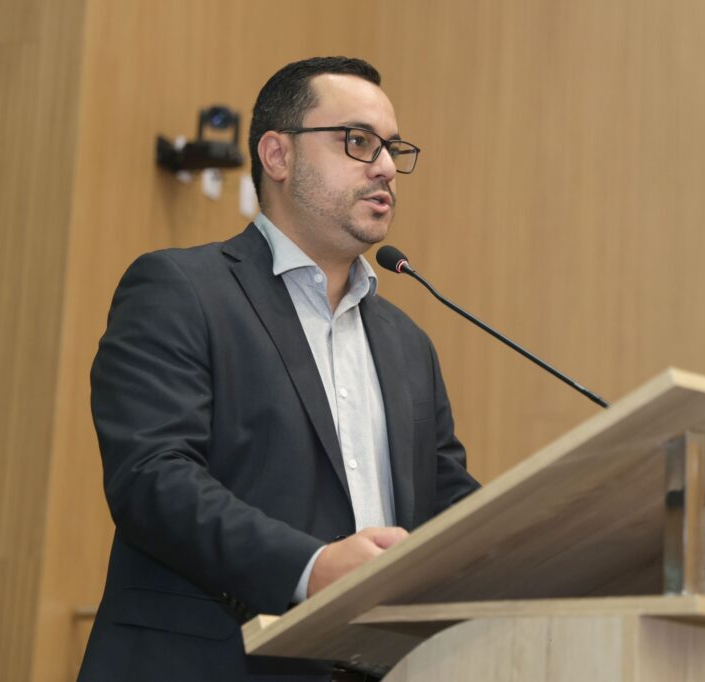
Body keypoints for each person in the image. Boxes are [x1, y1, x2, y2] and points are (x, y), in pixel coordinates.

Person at [77, 56, 479, 682]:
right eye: (358, 141)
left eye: (392, 149)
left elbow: (448, 504)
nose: (384, 167)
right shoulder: (181, 289)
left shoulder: (409, 344)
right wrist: (310, 568)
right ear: (277, 155)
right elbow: (152, 479)